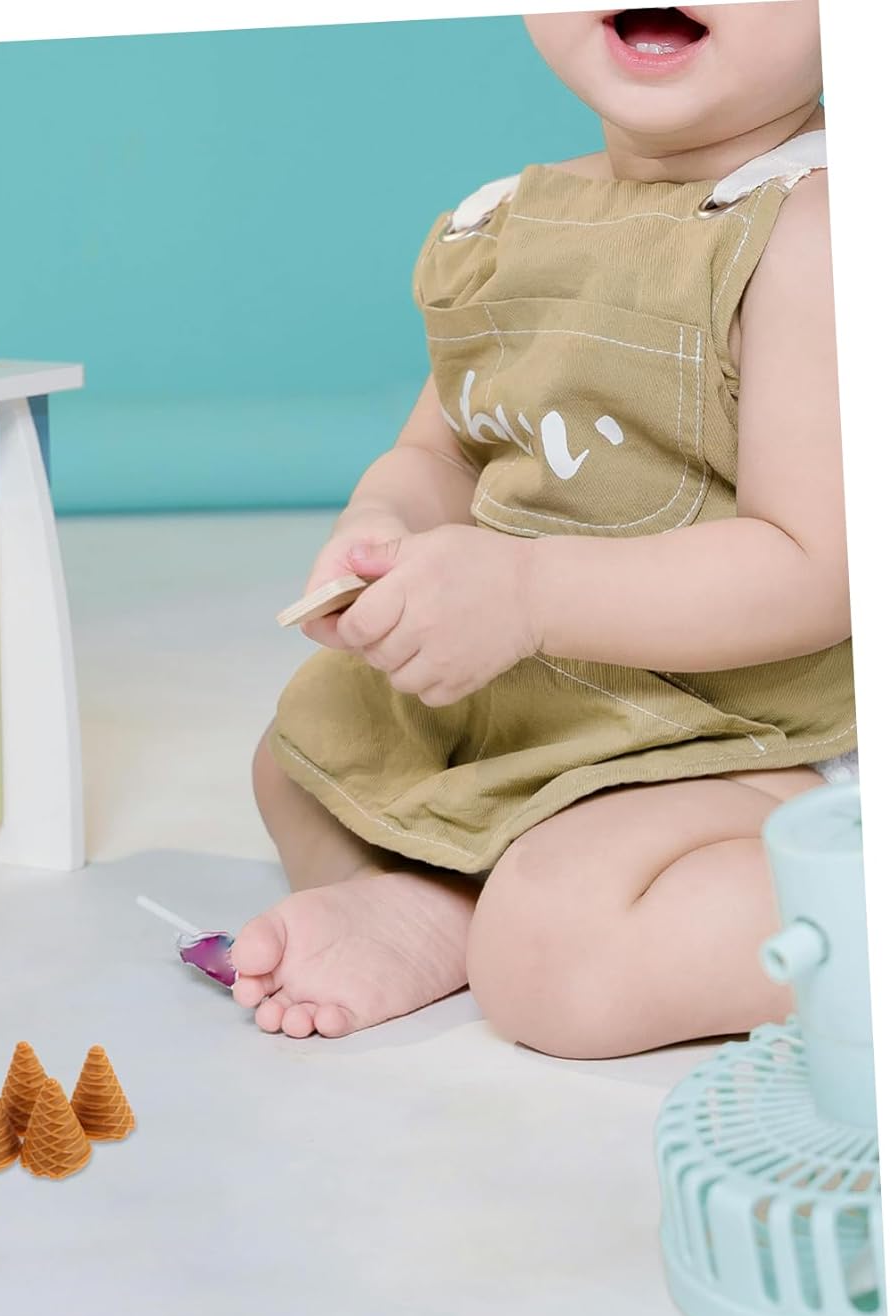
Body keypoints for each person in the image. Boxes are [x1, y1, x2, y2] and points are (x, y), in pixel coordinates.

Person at [236, 3, 856, 1056]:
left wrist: (527, 595)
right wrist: (383, 526)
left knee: (558, 961)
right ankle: (440, 904)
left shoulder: (820, 226)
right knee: (301, 761)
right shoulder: (506, 225)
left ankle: (843, 884)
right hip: (561, 698)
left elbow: (818, 569)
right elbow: (443, 453)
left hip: (759, 730)